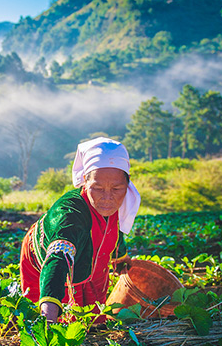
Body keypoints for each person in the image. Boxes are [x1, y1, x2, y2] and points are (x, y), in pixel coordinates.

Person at [20, 137, 141, 322]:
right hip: (47, 257)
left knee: (94, 320)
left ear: (127, 183)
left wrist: (124, 262)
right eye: (97, 188)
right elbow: (58, 261)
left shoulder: (119, 204)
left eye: (116, 188)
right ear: (85, 180)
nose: (107, 198)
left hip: (91, 254)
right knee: (64, 320)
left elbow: (114, 235)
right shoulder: (70, 213)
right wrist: (47, 322)